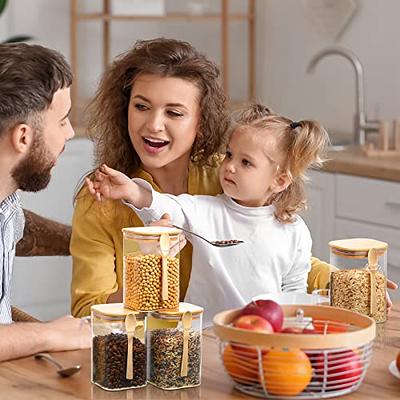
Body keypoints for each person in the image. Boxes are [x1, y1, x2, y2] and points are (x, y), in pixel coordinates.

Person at [70, 37, 397, 318]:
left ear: (201, 120)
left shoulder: (226, 176)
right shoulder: (101, 200)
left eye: (174, 112)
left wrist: (348, 283)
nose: (153, 124)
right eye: (141, 106)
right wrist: (146, 268)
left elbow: (277, 255)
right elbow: (87, 313)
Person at [86, 104, 330, 324]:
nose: (230, 166)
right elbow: (166, 207)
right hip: (203, 336)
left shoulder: (294, 230)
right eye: (229, 154)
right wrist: (130, 190)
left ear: (279, 181)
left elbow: (295, 291)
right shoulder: (206, 210)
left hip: (263, 338)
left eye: (246, 162)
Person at [0, 43, 90, 361]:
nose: (69, 134)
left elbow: (18, 233)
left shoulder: (5, 201)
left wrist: (94, 243)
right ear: (23, 137)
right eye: (62, 120)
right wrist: (48, 334)